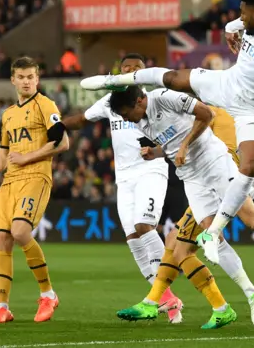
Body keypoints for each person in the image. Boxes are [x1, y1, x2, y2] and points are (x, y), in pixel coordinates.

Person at [79, 0, 254, 264]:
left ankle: (226, 226)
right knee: (172, 78)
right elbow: (234, 25)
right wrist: (231, 30)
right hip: (227, 84)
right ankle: (116, 80)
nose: (240, 16)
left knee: (250, 164)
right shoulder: (250, 22)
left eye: (244, 12)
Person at [107, 86, 254, 328]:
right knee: (212, 238)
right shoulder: (141, 123)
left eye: (126, 113)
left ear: (138, 101)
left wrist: (185, 145)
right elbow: (171, 146)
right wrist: (156, 153)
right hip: (191, 177)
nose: (126, 119)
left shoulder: (164, 97)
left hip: (216, 163)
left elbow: (206, 115)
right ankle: (252, 294)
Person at [119, 106, 254, 327]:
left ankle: (236, 300)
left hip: (216, 184)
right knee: (174, 241)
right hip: (209, 183)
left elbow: (206, 146)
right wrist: (160, 151)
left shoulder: (213, 114)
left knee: (184, 249)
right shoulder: (228, 113)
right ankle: (155, 301)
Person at [61, 53, 182, 323]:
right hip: (124, 178)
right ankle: (167, 300)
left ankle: (175, 272)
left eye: (135, 68)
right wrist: (56, 126)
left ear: (143, 72)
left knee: (144, 226)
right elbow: (82, 119)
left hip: (151, 169)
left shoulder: (155, 96)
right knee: (132, 238)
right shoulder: (109, 102)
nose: (129, 72)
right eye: (125, 68)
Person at [0, 56, 69, 323]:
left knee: (20, 231)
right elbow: (2, 157)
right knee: (1, 238)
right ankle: (2, 307)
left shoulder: (46, 105)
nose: (26, 81)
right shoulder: (8, 114)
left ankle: (48, 294)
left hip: (36, 176)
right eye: (21, 77)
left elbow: (63, 142)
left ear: (37, 79)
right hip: (10, 181)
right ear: (13, 80)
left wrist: (28, 157)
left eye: (30, 77)